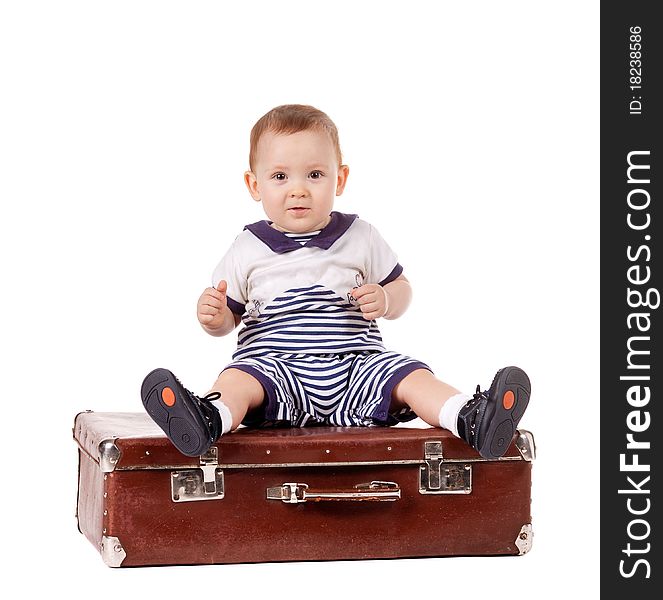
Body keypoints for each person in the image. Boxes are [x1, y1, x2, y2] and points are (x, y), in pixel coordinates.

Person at [141, 104, 531, 460]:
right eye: (279, 176)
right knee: (237, 379)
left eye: (315, 174)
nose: (298, 189)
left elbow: (403, 289)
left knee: (413, 377)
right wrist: (215, 318)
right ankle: (209, 417)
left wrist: (386, 298)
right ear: (254, 185)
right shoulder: (247, 247)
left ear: (339, 178)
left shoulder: (360, 236)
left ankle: (470, 418)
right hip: (276, 370)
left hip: (358, 365)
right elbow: (229, 316)